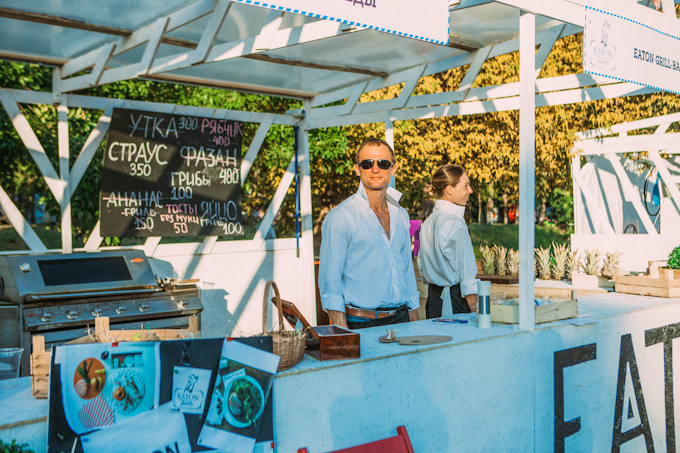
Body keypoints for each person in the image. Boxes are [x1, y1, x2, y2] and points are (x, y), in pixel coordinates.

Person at [318, 138, 420, 329]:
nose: (375, 169)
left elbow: (406, 269)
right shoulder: (342, 216)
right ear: (357, 169)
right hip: (361, 323)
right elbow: (330, 280)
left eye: (383, 163)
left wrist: (414, 317)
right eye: (367, 164)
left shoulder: (401, 215)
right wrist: (342, 331)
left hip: (402, 320)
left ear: (393, 168)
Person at [417, 164, 478, 318]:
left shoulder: (429, 221)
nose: (470, 190)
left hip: (433, 300)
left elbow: (422, 266)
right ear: (449, 189)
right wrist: (478, 313)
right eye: (465, 186)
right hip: (456, 303)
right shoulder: (455, 224)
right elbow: (467, 276)